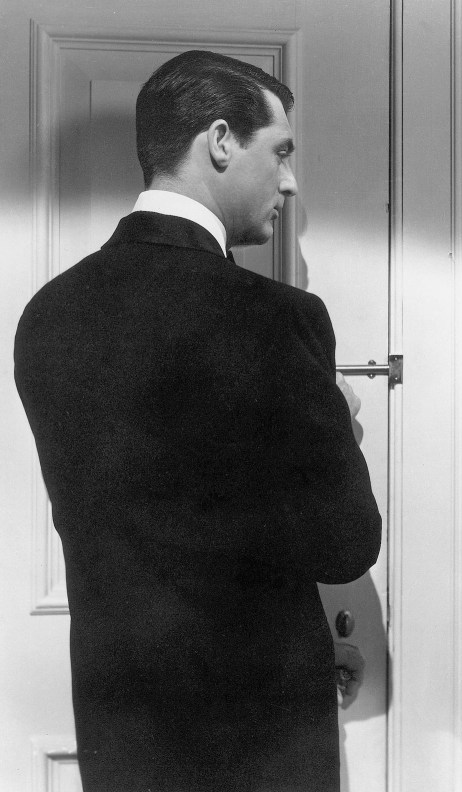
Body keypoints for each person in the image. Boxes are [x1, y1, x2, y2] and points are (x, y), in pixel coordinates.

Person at [14, 50, 382, 792]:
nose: (289, 181)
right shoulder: (276, 319)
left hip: (122, 739)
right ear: (219, 141)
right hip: (260, 744)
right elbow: (345, 544)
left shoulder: (48, 315)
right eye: (280, 151)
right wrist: (337, 419)